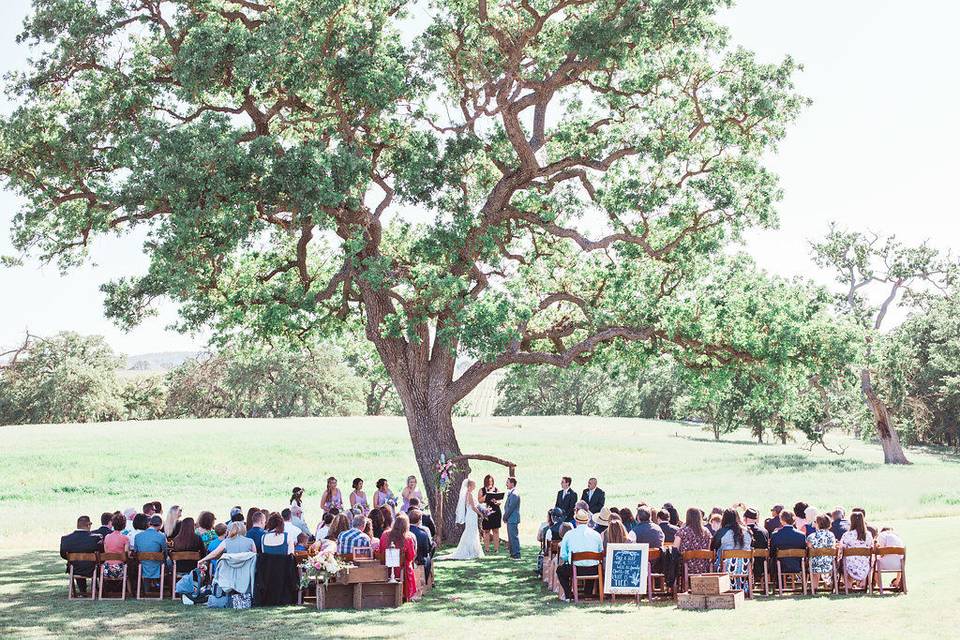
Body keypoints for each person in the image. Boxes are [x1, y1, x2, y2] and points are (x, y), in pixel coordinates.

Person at [556, 509, 604, 602]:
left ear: (576, 521)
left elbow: (563, 555)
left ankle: (568, 595)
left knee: (560, 571)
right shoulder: (596, 535)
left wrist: (569, 559)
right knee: (592, 564)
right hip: (593, 569)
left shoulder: (569, 534)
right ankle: (588, 593)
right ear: (587, 521)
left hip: (576, 569)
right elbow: (600, 552)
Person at [256, 513, 299, 605]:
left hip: (268, 576)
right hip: (284, 575)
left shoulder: (263, 537)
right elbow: (290, 556)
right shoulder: (288, 536)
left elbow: (265, 557)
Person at [441, 479, 484, 560]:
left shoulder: (469, 494)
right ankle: (470, 550)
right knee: (471, 531)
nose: (475, 486)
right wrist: (480, 513)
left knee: (472, 531)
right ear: (470, 486)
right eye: (474, 485)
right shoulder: (469, 494)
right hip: (471, 514)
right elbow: (473, 507)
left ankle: (473, 550)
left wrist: (482, 509)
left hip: (471, 515)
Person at [711, 509, 753, 591]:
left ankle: (725, 588)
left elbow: (713, 548)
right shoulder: (747, 531)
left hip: (726, 567)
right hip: (745, 568)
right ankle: (744, 588)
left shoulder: (721, 532)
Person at [60, 515, 102, 594]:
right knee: (98, 564)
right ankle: (98, 589)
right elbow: (101, 553)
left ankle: (82, 590)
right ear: (88, 525)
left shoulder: (65, 539)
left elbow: (63, 554)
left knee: (77, 563)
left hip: (74, 568)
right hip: (92, 568)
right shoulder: (96, 538)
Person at [386, 512, 419, 601]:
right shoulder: (408, 539)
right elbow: (411, 556)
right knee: (409, 565)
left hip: (386, 568)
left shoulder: (386, 535)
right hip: (402, 570)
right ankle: (406, 594)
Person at [840, 511, 874, 590]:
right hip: (865, 566)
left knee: (843, 561)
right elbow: (871, 546)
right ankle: (863, 584)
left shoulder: (847, 535)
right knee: (867, 560)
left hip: (850, 565)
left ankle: (848, 585)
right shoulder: (868, 535)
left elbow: (841, 548)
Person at [134, 515, 169, 586]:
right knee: (169, 561)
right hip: (157, 566)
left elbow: (135, 551)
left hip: (142, 566)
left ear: (150, 523)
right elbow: (165, 552)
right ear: (160, 525)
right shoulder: (161, 536)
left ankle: (148, 586)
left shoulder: (138, 536)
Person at [770, 510, 807, 578]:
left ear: (781, 520)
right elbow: (804, 551)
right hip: (797, 565)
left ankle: (779, 582)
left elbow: (771, 553)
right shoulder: (801, 535)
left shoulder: (775, 534)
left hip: (780, 566)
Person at [676, 507, 712, 576]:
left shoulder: (682, 531)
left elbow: (675, 548)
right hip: (703, 567)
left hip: (686, 566)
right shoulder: (707, 532)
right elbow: (708, 549)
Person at [806, 514, 837, 592]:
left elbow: (809, 549)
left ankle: (814, 588)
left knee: (813, 562)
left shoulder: (811, 536)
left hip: (815, 564)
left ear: (818, 524)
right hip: (828, 563)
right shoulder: (831, 535)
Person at [743, 507, 769, 582]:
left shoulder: (743, 531)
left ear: (745, 518)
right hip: (762, 564)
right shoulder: (764, 531)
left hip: (747, 565)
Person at [101, 513, 130, 582]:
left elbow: (106, 552)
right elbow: (126, 556)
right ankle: (129, 590)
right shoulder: (125, 538)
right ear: (124, 525)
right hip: (119, 569)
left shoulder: (107, 537)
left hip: (106, 569)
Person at [478, 474, 502, 554]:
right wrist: (487, 494)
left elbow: (500, 501)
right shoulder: (482, 490)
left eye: (491, 481)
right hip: (486, 512)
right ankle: (487, 549)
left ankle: (496, 549)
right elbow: (480, 500)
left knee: (496, 530)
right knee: (486, 531)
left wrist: (496, 502)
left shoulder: (496, 489)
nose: (490, 483)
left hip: (495, 511)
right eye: (488, 482)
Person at [409, 509, 435, 581]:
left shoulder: (404, 531)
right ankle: (426, 579)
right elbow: (426, 551)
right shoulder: (423, 533)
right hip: (419, 560)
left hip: (409, 559)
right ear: (419, 520)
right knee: (428, 558)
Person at [502, 476, 521, 560]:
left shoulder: (514, 494)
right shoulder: (512, 493)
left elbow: (510, 508)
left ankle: (516, 554)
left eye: (507, 482)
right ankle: (513, 553)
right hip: (511, 518)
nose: (506, 484)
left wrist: (505, 517)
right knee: (511, 536)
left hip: (512, 518)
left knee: (513, 536)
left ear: (512, 483)